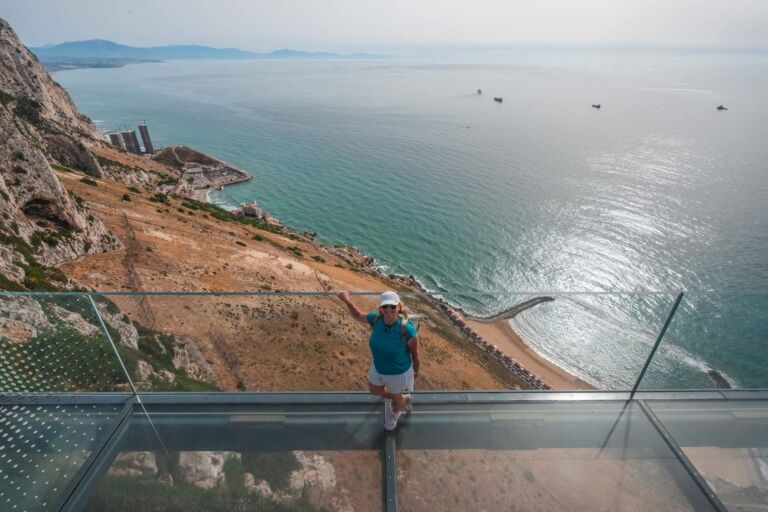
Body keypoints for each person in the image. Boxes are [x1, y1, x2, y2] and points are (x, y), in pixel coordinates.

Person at [337, 290, 420, 430]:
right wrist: (346, 299)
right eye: (385, 306)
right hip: (378, 367)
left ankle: (395, 412)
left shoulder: (407, 329)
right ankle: (401, 399)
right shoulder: (376, 320)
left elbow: (415, 355)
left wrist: (415, 373)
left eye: (392, 306)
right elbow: (357, 315)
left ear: (399, 307)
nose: (389, 310)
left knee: (394, 400)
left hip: (398, 373)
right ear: (380, 308)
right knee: (375, 390)